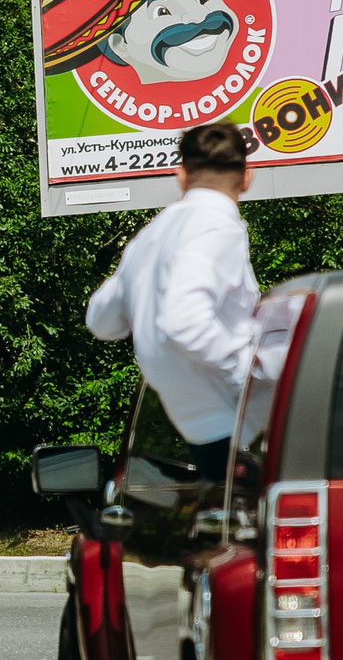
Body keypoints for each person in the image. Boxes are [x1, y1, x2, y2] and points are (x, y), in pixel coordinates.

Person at [84, 123, 260, 482]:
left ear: (181, 176)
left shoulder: (152, 235)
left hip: (197, 429)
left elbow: (101, 321)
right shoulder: (216, 227)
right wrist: (247, 376)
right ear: (247, 178)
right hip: (237, 427)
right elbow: (185, 321)